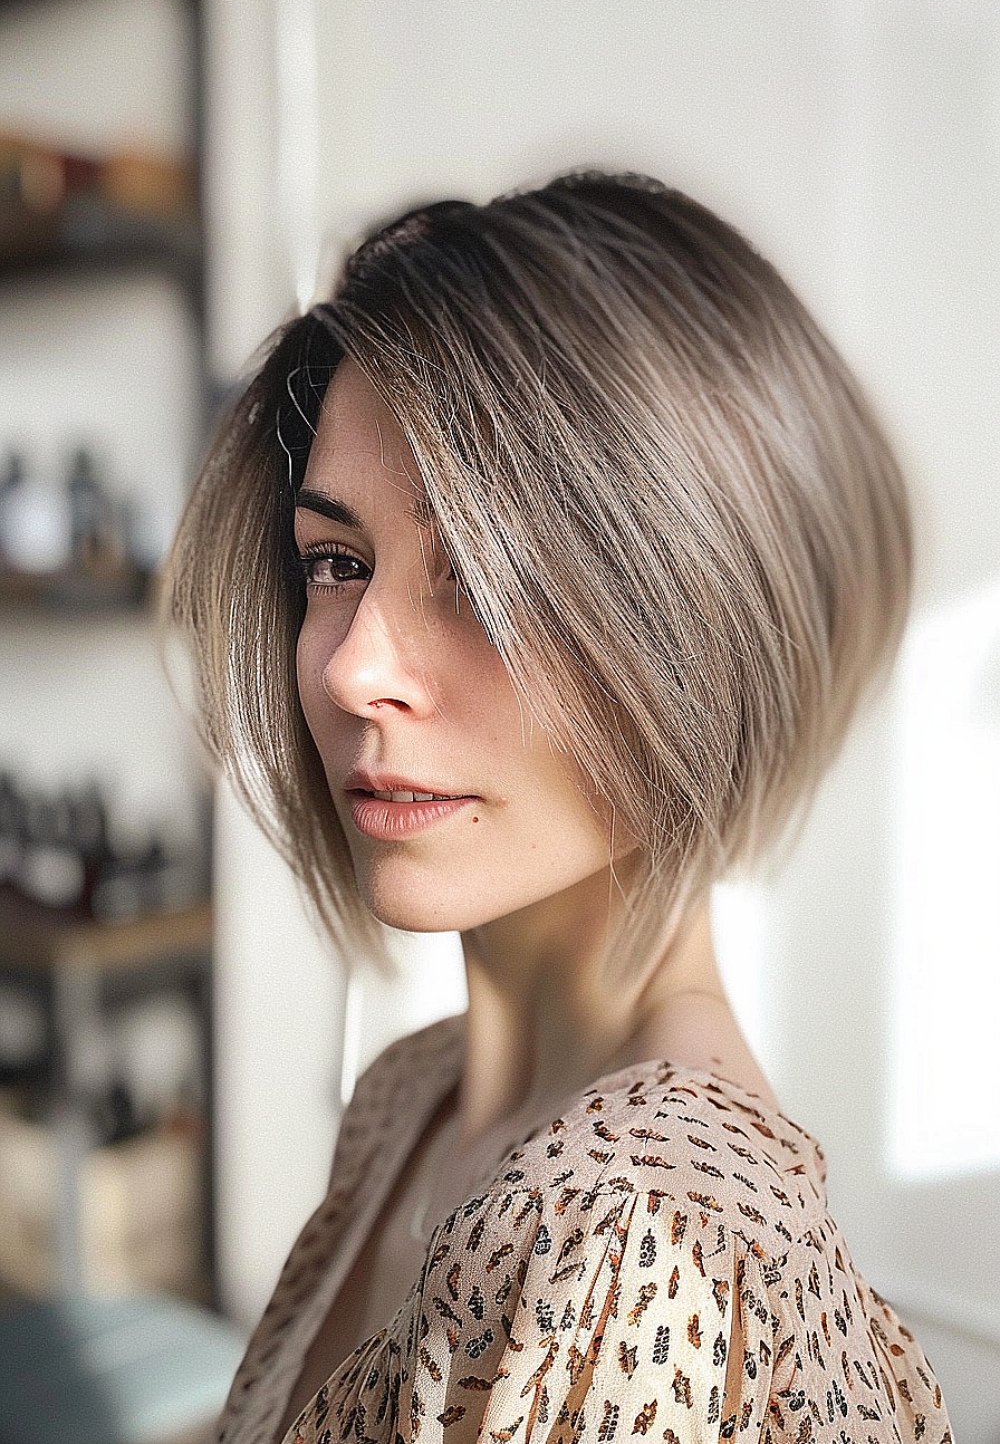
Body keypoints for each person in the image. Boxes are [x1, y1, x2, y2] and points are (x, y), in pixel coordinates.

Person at [166, 173, 952, 1443]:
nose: (356, 666)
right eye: (336, 563)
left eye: (478, 577)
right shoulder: (408, 1101)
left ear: (707, 623)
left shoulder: (644, 1251)